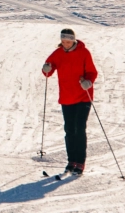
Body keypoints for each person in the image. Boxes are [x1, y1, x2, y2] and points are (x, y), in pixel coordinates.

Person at [41, 28, 97, 175]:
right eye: (63, 41)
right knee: (69, 130)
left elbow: (92, 72)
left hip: (83, 95)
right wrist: (46, 68)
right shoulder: (58, 54)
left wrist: (88, 82)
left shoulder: (84, 53)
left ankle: (80, 162)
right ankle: (71, 161)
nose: (65, 44)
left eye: (68, 41)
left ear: (73, 40)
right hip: (67, 97)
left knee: (79, 128)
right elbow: (49, 69)